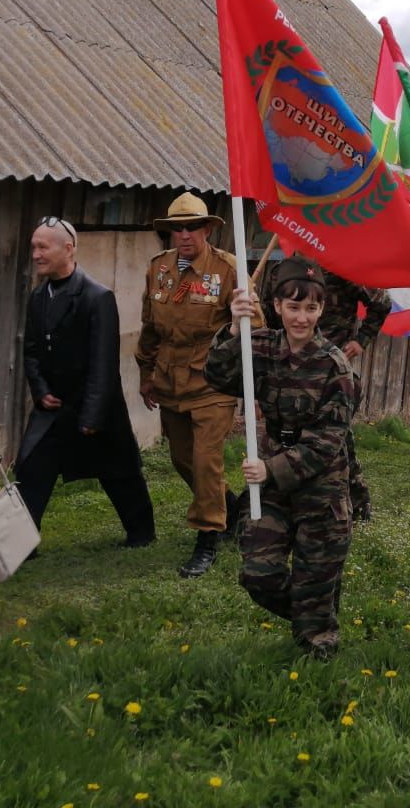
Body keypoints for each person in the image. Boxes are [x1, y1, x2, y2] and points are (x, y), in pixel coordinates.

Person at [204, 259, 358, 659]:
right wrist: (234, 328)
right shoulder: (261, 346)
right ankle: (314, 615)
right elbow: (217, 376)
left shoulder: (335, 368)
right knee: (259, 575)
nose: (301, 317)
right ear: (275, 306)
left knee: (313, 580)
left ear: (322, 310)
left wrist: (270, 468)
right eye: (293, 307)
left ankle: (319, 654)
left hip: (320, 487)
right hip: (271, 483)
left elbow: (326, 444)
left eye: (311, 308)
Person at [136, 193, 259, 578]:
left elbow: (256, 330)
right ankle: (229, 506)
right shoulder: (158, 269)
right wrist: (145, 374)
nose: (184, 234)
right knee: (182, 459)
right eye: (177, 228)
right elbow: (150, 327)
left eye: (192, 226)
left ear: (208, 229)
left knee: (207, 461)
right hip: (171, 380)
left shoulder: (229, 270)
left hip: (212, 381)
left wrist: (247, 316)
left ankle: (207, 538)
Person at [15, 218, 155, 547]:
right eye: (33, 246)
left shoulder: (97, 297)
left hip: (95, 406)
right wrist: (40, 390)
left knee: (119, 472)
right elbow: (31, 350)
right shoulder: (38, 296)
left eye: (43, 247)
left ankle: (141, 532)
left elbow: (103, 364)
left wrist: (92, 417)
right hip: (53, 407)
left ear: (68, 249)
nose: (35, 254)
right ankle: (20, 543)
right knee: (31, 469)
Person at [264, 256, 390, 521]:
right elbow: (269, 315)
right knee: (288, 436)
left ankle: (355, 500)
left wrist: (360, 341)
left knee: (335, 440)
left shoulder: (341, 265)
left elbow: (382, 303)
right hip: (289, 372)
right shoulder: (280, 272)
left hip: (330, 374)